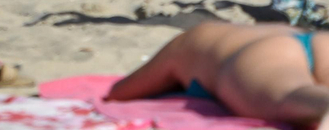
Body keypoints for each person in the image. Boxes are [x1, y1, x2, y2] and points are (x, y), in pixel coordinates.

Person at [107, 22, 329, 127]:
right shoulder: (265, 28)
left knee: (292, 94)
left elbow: (121, 92)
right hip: (316, 40)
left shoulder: (188, 40)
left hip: (259, 55)